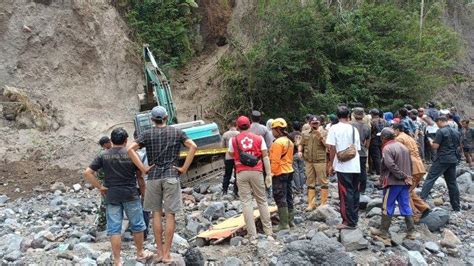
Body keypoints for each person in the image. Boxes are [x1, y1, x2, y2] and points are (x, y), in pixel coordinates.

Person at [127, 106, 197, 263]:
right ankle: (167, 254)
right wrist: (184, 168)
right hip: (171, 176)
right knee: (170, 214)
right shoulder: (176, 132)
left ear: (152, 119)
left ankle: (159, 252)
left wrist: (144, 168)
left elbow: (130, 149)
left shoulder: (147, 134)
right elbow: (193, 146)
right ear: (167, 117)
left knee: (156, 214)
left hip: (153, 178)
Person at [84, 128, 153, 265]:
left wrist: (100, 187)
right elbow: (140, 177)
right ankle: (140, 253)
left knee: (114, 228)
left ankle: (117, 260)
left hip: (112, 195)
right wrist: (144, 194)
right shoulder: (131, 154)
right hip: (130, 194)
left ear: (111, 140)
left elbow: (87, 173)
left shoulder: (103, 155)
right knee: (138, 225)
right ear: (126, 140)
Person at [228, 115, 273, 238]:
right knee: (262, 200)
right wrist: (268, 174)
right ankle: (268, 232)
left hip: (241, 173)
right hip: (257, 171)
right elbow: (265, 156)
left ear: (237, 126)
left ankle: (252, 234)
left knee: (246, 202)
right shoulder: (259, 138)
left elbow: (231, 155)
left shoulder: (234, 140)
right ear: (250, 124)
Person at [370, 128, 415, 246]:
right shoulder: (403, 147)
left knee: (387, 206)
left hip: (393, 181)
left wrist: (400, 175)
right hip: (404, 182)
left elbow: (390, 164)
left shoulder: (387, 148)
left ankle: (384, 231)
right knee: (405, 205)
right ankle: (411, 231)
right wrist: (408, 176)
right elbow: (410, 163)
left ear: (383, 138)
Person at [326, 106, 361, 230]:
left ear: (337, 115)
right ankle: (354, 219)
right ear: (349, 115)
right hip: (355, 165)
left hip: (343, 166)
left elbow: (332, 148)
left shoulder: (334, 128)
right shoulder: (353, 129)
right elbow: (357, 148)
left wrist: (331, 165)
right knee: (355, 192)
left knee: (345, 194)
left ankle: (348, 221)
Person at [420, 116, 461, 211]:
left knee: (430, 179)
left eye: (437, 122)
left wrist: (431, 141)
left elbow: (435, 147)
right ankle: (456, 207)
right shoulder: (456, 131)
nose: (437, 125)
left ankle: (420, 203)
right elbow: (458, 146)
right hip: (453, 159)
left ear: (441, 121)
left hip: (442, 159)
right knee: (452, 183)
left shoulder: (441, 131)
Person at [392, 123, 431, 222]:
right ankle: (424, 208)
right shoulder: (408, 137)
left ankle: (413, 215)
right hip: (419, 167)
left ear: (397, 130)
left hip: (412, 168)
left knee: (405, 192)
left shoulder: (399, 139)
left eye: (393, 130)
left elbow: (398, 156)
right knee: (410, 190)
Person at [269, 118, 295, 230]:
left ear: (278, 129)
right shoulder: (289, 141)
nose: (272, 132)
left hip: (280, 172)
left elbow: (275, 161)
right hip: (289, 170)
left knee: (280, 196)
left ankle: (283, 224)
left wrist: (272, 173)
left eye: (273, 130)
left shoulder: (278, 143)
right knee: (288, 196)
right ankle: (291, 222)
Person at [299, 116, 328, 211]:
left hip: (320, 160)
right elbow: (301, 143)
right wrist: (300, 151)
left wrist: (320, 136)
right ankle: (311, 204)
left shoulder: (325, 132)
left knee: (323, 181)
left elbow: (327, 146)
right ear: (310, 123)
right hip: (309, 161)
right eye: (313, 123)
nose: (315, 124)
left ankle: (324, 203)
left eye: (316, 122)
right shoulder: (305, 133)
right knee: (310, 182)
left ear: (320, 123)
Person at [352, 108, 371, 194]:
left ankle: (354, 188)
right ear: (363, 115)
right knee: (363, 170)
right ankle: (362, 189)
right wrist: (365, 148)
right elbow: (368, 142)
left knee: (353, 171)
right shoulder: (367, 126)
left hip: (352, 151)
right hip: (362, 151)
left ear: (354, 115)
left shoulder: (350, 125)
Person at [96, 136, 112, 231]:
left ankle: (102, 223)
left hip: (104, 181)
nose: (111, 143)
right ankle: (101, 224)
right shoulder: (105, 154)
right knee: (105, 203)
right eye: (109, 142)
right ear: (105, 144)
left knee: (105, 202)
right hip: (106, 182)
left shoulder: (100, 154)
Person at [222, 119, 239, 195]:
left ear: (229, 125)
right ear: (236, 125)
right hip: (237, 157)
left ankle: (224, 191)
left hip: (228, 157)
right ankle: (236, 191)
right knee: (237, 174)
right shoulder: (239, 134)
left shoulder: (225, 134)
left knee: (227, 174)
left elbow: (222, 147)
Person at [369, 109, 387, 176]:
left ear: (372, 114)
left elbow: (369, 131)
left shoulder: (371, 122)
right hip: (383, 140)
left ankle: (379, 172)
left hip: (374, 140)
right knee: (382, 155)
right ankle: (383, 170)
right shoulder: (384, 121)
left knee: (376, 157)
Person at [289, 121, 305, 194]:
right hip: (301, 154)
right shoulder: (303, 135)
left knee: (295, 172)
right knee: (301, 171)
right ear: (300, 127)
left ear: (293, 127)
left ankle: (298, 188)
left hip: (294, 154)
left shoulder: (290, 135)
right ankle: (302, 187)